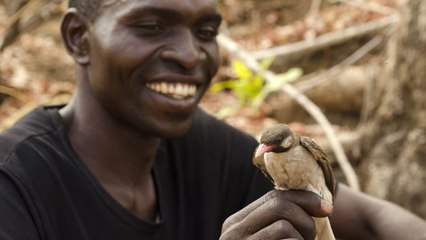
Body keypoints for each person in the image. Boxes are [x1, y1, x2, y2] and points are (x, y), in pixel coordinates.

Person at [0, 0, 425, 239]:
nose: (189, 55)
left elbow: (372, 222)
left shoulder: (203, 147)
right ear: (78, 38)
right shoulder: (14, 184)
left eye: (206, 32)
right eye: (150, 25)